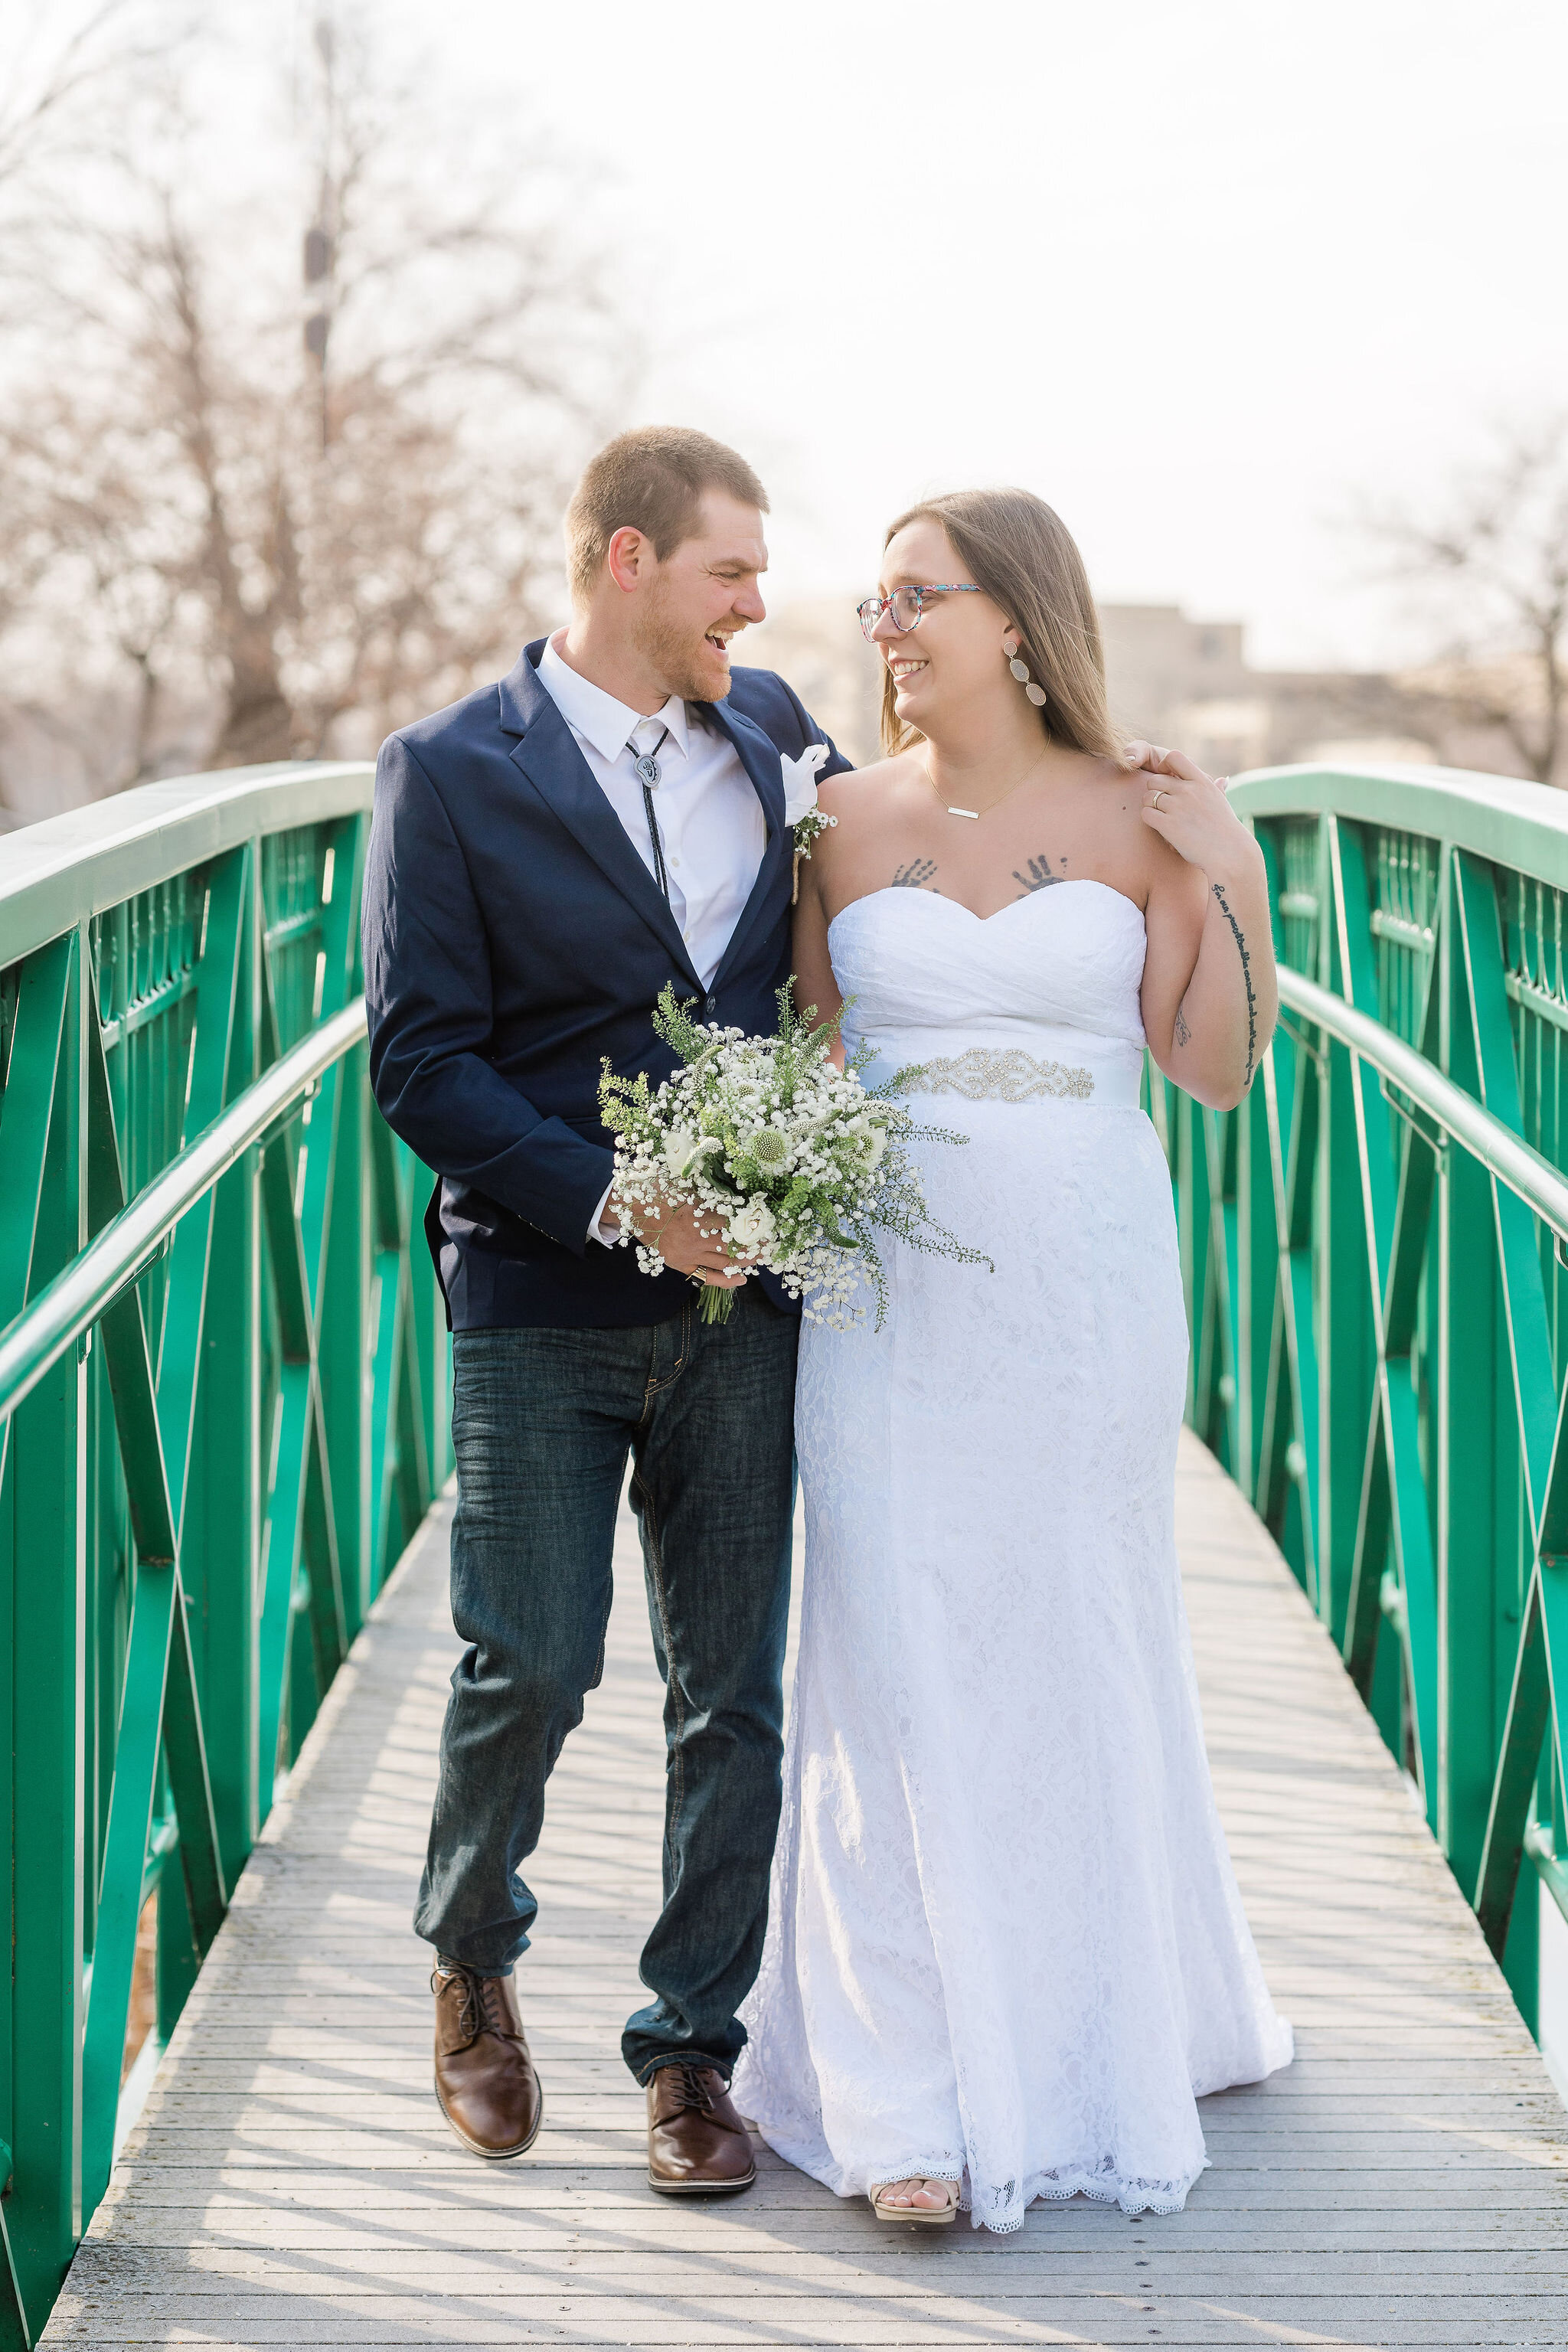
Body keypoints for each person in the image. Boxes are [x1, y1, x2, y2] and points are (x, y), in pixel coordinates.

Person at [733, 487, 1292, 2231]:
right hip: (890, 1295)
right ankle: (901, 2092)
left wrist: (1236, 872)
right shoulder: (834, 818)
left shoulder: (1139, 809)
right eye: (875, 597)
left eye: (918, 596)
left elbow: (1209, 1065)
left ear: (1016, 616)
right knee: (888, 1649)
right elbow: (809, 1059)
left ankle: (1092, 2035)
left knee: (1068, 1632)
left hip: (1082, 1293)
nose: (882, 625)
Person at [362, 426, 850, 2194]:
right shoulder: (446, 773)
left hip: (747, 1306)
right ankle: (472, 1966)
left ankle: (689, 2058)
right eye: (733, 568)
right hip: (536, 1287)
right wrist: (609, 1194)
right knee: (536, 1660)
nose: (759, 600)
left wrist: (1107, 795)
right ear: (628, 564)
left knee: (732, 1691)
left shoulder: (780, 733)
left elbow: (903, 867)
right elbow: (419, 1063)